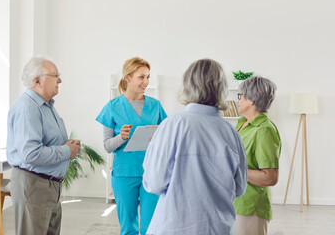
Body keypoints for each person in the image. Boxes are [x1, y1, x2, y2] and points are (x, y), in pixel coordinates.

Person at [142, 59, 248, 234]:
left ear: (187, 85)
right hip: (217, 228)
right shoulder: (231, 133)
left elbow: (153, 183)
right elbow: (239, 188)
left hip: (173, 227)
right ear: (222, 88)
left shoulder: (171, 125)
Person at [7, 56, 81, 235]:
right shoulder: (28, 107)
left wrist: (67, 146)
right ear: (37, 81)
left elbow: (46, 143)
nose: (60, 80)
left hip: (48, 185)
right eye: (55, 75)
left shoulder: (46, 106)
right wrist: (66, 151)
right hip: (34, 185)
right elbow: (31, 154)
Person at [96, 57, 167, 235]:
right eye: (141, 77)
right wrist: (121, 137)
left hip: (151, 172)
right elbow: (107, 146)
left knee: (150, 228)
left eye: (148, 77)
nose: (146, 82)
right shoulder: (112, 107)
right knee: (128, 228)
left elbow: (167, 136)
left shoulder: (155, 106)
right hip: (124, 174)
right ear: (127, 77)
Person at [233, 76, 281, 235]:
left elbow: (270, 177)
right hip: (237, 202)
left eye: (240, 96)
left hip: (251, 206)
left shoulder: (264, 130)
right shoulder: (242, 125)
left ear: (252, 100)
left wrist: (234, 169)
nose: (238, 100)